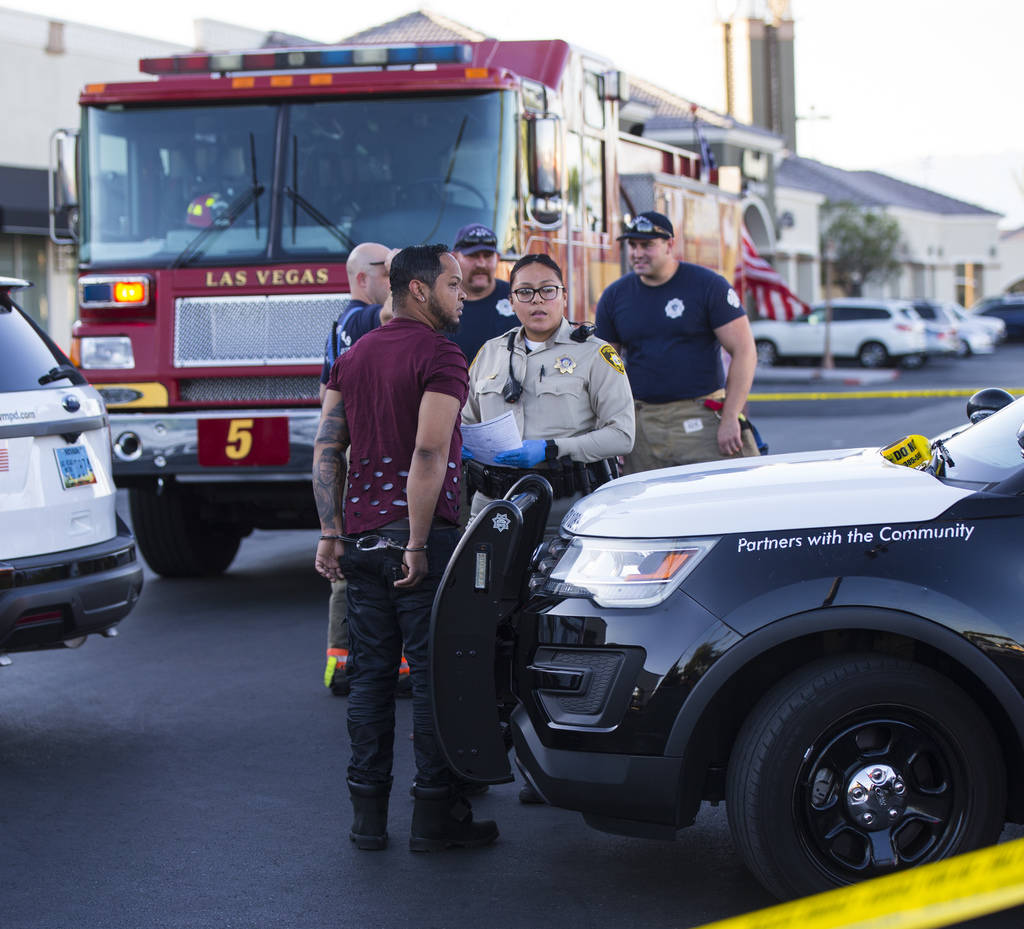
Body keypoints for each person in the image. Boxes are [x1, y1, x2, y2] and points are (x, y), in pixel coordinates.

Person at [313, 244, 498, 852]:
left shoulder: (357, 352)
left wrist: (330, 532)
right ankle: (433, 819)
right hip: (420, 541)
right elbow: (429, 453)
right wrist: (417, 543)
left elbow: (325, 450)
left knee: (368, 679)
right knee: (431, 680)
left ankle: (367, 820)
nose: (463, 294)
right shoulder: (443, 355)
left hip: (361, 540)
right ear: (418, 290)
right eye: (451, 283)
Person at [462, 252, 635, 543]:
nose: (538, 300)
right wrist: (462, 444)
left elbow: (622, 436)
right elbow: (466, 421)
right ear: (512, 300)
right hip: (492, 504)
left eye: (548, 290)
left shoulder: (596, 354)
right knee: (478, 586)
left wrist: (552, 448)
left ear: (563, 296)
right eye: (526, 292)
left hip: (565, 508)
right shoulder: (490, 353)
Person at [595, 211, 759, 473]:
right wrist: (612, 428)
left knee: (728, 495)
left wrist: (730, 417)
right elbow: (605, 368)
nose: (637, 253)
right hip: (642, 421)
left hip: (700, 417)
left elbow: (745, 351)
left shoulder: (707, 286)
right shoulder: (615, 296)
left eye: (647, 245)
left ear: (670, 244)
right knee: (642, 506)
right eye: (633, 245)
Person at [318, 242, 404, 698]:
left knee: (360, 554)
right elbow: (396, 314)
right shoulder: (358, 318)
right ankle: (353, 664)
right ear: (361, 278)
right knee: (377, 553)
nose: (393, 278)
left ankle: (346, 662)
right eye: (385, 270)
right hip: (366, 452)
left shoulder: (338, 327)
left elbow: (324, 395)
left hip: (353, 448)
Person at [449, 223, 516, 363]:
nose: (481, 264)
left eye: (487, 256)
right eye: (472, 256)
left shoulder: (519, 298)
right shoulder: (439, 305)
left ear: (497, 258)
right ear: (454, 258)